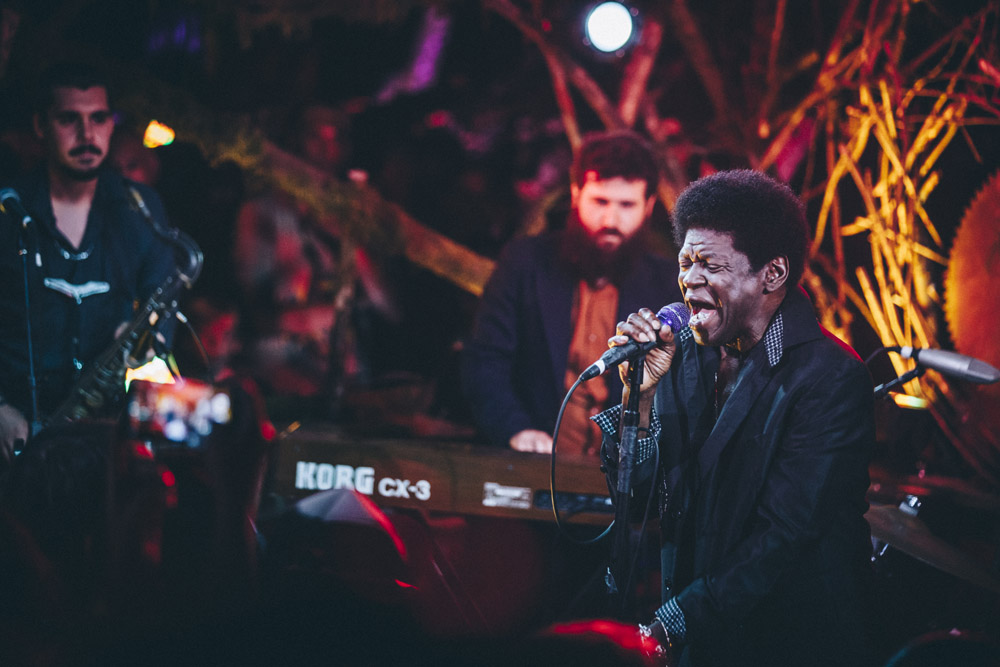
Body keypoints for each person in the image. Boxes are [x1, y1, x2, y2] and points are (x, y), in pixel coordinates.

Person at [597, 170, 876, 666]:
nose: (690, 279)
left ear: (772, 274)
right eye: (685, 262)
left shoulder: (829, 377)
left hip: (788, 641)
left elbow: (783, 537)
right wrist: (638, 398)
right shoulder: (685, 354)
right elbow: (640, 496)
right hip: (702, 633)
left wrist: (672, 622)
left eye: (709, 264)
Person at [0, 61, 177, 463]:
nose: (87, 135)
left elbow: (162, 304)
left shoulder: (139, 208)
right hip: (14, 435)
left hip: (106, 432)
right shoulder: (8, 208)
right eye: (69, 120)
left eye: (99, 118)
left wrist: (147, 344)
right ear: (40, 126)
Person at [462, 130, 680, 455]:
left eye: (626, 204)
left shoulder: (668, 281)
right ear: (577, 194)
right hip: (535, 466)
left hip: (629, 479)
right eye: (600, 201)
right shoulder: (525, 262)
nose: (611, 219)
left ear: (648, 205)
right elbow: (485, 360)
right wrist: (516, 429)